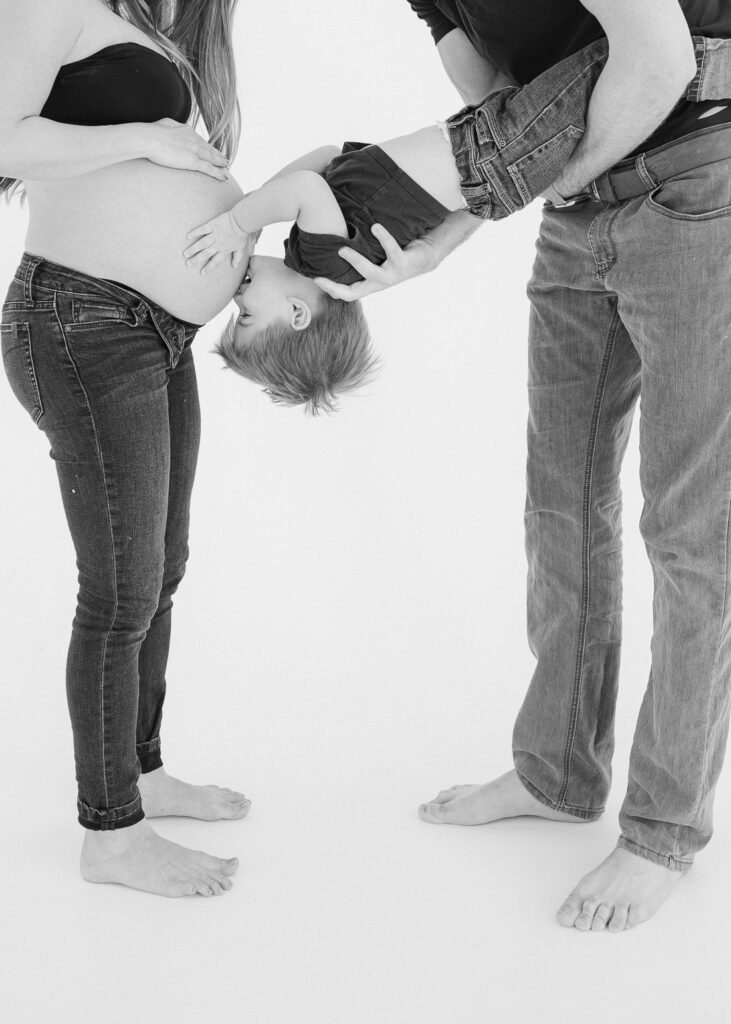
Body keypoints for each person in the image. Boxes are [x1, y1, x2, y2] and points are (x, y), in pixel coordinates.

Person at [320, 0, 731, 933]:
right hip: (581, 206)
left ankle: (662, 830)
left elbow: (659, 61)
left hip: (699, 182)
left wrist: (549, 185)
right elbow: (510, 116)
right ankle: (555, 772)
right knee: (559, 504)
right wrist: (444, 236)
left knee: (689, 533)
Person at [0, 0, 253, 898]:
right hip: (83, 323)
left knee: (160, 568)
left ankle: (141, 770)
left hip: (154, 332)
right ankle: (110, 836)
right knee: (119, 593)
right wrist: (145, 135)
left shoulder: (149, 28)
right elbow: (4, 139)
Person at [181, 40, 609, 413]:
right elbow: (306, 188)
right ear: (297, 313)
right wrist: (239, 221)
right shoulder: (327, 266)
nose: (237, 297)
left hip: (489, 150)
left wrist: (252, 216)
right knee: (608, 59)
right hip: (496, 156)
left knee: (599, 61)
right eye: (246, 314)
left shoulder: (314, 252)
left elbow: (325, 158)